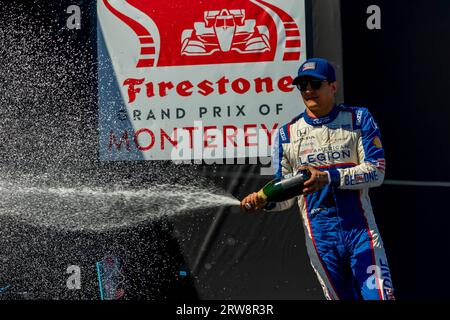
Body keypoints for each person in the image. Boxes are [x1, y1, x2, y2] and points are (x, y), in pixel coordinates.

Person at [241, 58, 395, 300]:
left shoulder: (358, 119)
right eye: (302, 85)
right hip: (320, 237)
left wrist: (329, 177)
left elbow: (376, 171)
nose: (309, 90)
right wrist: (265, 202)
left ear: (332, 86)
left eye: (315, 83)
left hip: (360, 231)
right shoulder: (286, 134)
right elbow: (285, 198)